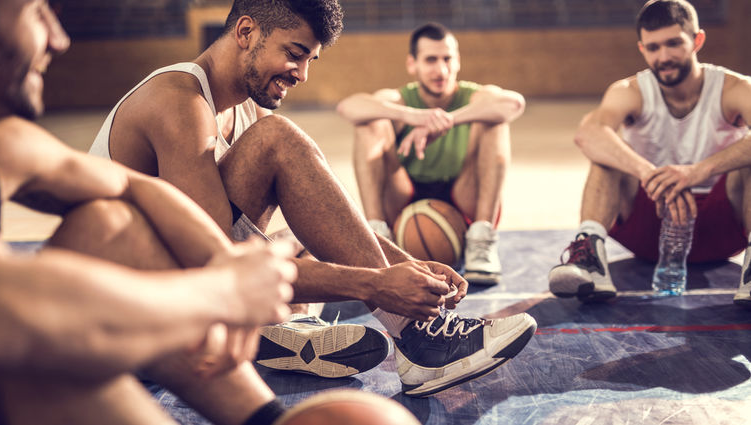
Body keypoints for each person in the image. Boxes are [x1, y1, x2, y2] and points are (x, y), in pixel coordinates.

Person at [87, 0, 537, 397]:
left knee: (308, 235)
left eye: (310, 60)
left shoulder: (244, 106)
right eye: (295, 53)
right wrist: (375, 285)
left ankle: (286, 329)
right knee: (278, 141)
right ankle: (419, 341)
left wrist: (407, 265)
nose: (302, 74)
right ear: (246, 33)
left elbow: (314, 222)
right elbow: (217, 263)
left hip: (179, 295)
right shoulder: (177, 101)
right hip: (122, 322)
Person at [0, 0, 302, 424]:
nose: (58, 38)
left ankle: (266, 418)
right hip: (29, 345)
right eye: (36, 11)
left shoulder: (6, 142)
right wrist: (220, 292)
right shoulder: (177, 95)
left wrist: (225, 261)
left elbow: (131, 184)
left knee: (109, 223)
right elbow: (12, 308)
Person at [547, 0, 751, 306]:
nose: (664, 57)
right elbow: (587, 134)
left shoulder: (734, 88)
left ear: (697, 40)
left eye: (673, 44)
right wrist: (650, 174)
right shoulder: (629, 90)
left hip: (721, 224)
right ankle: (590, 263)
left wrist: (697, 171)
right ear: (642, 49)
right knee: (608, 151)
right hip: (652, 224)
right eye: (653, 47)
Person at [336, 22, 526, 286]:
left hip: (463, 195)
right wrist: (412, 116)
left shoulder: (474, 96)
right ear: (412, 64)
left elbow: (514, 103)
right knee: (371, 121)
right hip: (404, 196)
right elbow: (348, 107)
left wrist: (445, 121)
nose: (441, 69)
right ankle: (377, 237)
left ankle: (482, 240)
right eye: (431, 60)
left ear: (458, 61)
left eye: (447, 59)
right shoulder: (402, 99)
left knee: (494, 120)